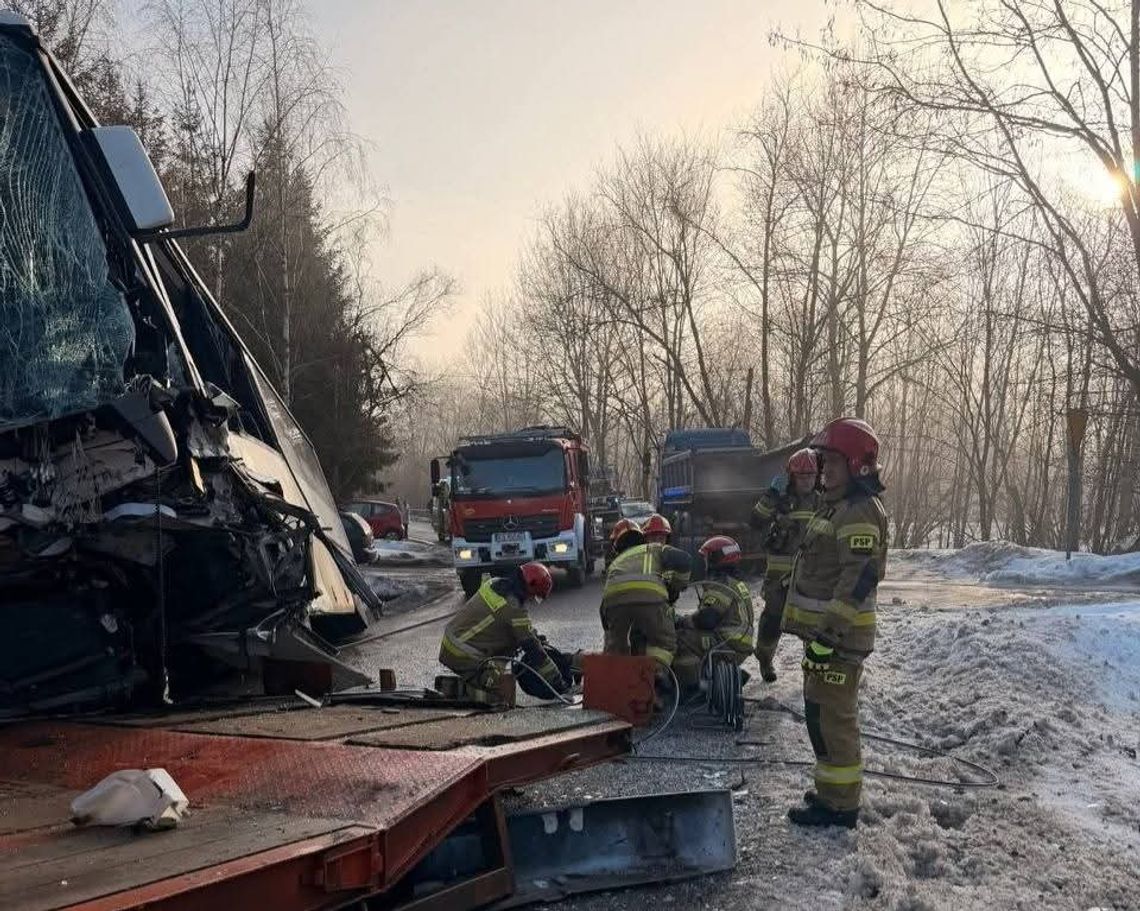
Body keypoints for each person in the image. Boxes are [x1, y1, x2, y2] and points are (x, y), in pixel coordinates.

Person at [782, 418, 888, 829]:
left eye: (831, 464)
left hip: (838, 640)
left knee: (833, 720)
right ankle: (831, 794)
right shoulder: (838, 506)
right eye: (821, 464)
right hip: (825, 638)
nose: (824, 472)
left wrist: (828, 636)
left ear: (857, 465)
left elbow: (856, 581)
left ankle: (840, 807)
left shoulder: (859, 511)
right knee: (819, 714)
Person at [439, 562, 567, 702]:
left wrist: (534, 636)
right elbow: (533, 649)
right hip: (462, 653)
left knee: (510, 645)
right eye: (534, 596)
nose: (531, 600)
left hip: (452, 643)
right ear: (529, 588)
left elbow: (518, 628)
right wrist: (557, 682)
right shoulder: (513, 607)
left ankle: (471, 681)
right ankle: (454, 688)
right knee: (499, 696)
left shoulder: (494, 583)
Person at [750, 448, 821, 683]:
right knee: (772, 619)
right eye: (802, 477)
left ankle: (812, 668)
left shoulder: (822, 501)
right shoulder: (779, 499)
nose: (807, 481)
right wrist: (771, 494)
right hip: (779, 574)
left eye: (811, 476)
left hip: (810, 573)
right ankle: (765, 659)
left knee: (813, 621)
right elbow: (756, 521)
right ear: (792, 477)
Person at [600, 518, 691, 671]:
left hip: (615, 604)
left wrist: (612, 628)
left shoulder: (616, 563)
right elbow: (684, 559)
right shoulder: (653, 550)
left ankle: (615, 682)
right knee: (663, 643)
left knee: (616, 649)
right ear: (643, 538)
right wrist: (679, 585)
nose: (657, 540)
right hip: (651, 602)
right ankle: (656, 674)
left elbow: (605, 604)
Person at [672, 536, 755, 691]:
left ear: (714, 559)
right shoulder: (736, 582)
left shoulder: (720, 583)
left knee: (678, 638)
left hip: (727, 642)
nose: (703, 562)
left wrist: (681, 622)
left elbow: (708, 619)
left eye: (706, 558)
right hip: (739, 642)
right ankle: (720, 676)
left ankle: (691, 687)